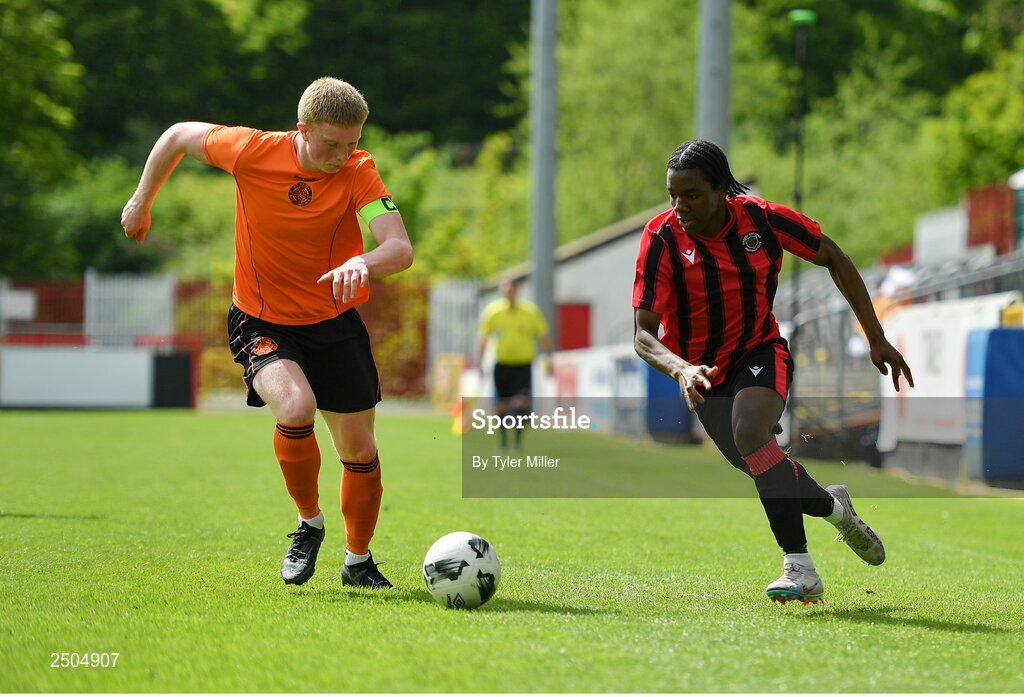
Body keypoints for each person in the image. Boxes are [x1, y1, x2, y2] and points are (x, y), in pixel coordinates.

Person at [120, 77, 413, 589]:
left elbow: (399, 248)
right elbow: (176, 135)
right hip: (262, 318)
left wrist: (364, 262)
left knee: (360, 451)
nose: (343, 154)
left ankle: (358, 561)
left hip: (334, 322)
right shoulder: (253, 151)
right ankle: (309, 523)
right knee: (296, 408)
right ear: (301, 129)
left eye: (353, 142)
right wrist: (142, 200)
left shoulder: (360, 171)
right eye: (331, 143)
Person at [632, 139, 914, 605]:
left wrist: (875, 336)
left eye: (692, 195)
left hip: (759, 349)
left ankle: (800, 568)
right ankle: (835, 508)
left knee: (750, 433)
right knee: (762, 463)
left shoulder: (762, 218)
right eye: (672, 195)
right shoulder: (661, 238)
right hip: (702, 373)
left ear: (721, 189)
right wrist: (682, 369)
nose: (680, 206)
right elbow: (642, 335)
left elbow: (835, 258)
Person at [475, 279, 553, 449]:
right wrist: (479, 361)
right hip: (502, 364)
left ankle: (518, 440)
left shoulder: (530, 312)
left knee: (520, 401)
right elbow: (483, 337)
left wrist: (548, 358)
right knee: (501, 403)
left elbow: (542, 336)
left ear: (517, 290)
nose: (508, 292)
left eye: (511, 289)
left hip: (523, 365)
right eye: (505, 289)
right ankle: (503, 440)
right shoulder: (494, 312)